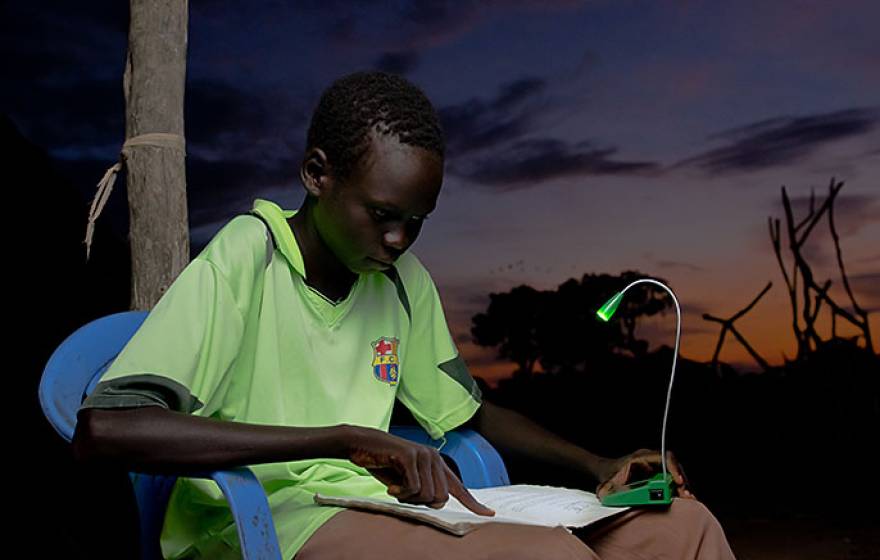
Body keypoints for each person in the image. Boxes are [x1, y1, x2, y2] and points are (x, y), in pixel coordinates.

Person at [72, 71, 736, 559]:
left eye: (416, 222)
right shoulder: (252, 254)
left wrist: (600, 464)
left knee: (681, 527)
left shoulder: (401, 281)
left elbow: (467, 412)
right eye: (383, 216)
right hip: (268, 521)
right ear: (317, 173)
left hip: (379, 511)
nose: (398, 240)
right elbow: (108, 427)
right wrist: (337, 438)